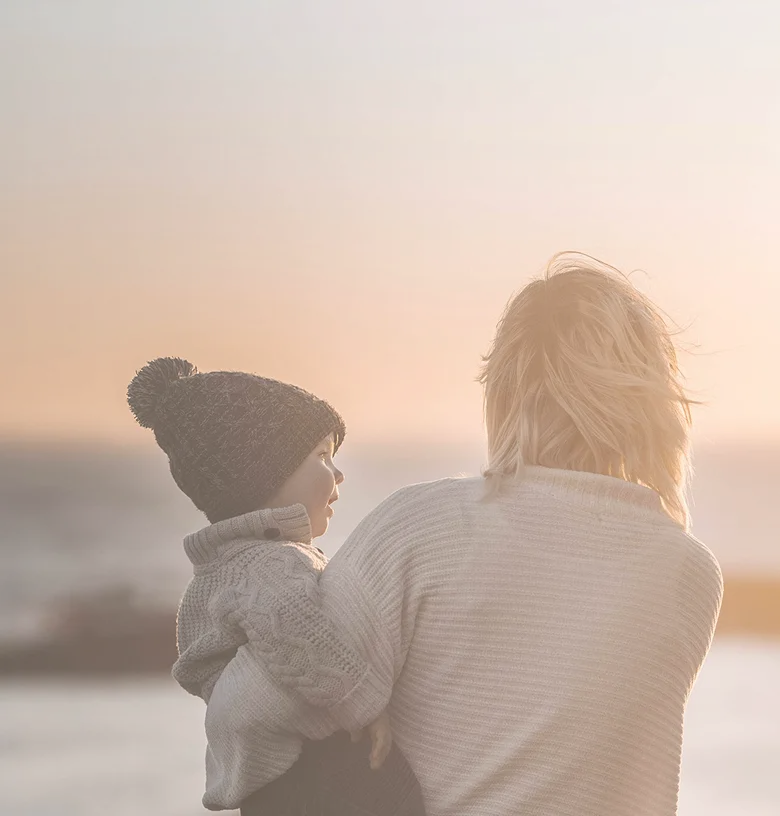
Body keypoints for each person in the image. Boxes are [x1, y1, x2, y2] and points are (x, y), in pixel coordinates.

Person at [209, 252, 724, 815]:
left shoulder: (424, 527)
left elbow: (248, 714)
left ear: (505, 390)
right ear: (651, 399)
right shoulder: (691, 574)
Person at [126, 358, 425, 814]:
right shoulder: (265, 565)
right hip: (308, 774)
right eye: (322, 457)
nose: (339, 473)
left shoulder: (225, 566)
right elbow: (299, 633)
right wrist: (365, 706)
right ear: (263, 475)